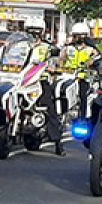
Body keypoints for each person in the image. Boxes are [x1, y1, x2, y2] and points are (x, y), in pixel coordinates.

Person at [22, 16, 64, 156]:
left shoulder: (47, 47)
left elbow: (56, 61)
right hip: (21, 80)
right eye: (30, 32)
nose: (33, 35)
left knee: (49, 108)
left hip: (40, 81)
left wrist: (52, 67)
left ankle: (57, 142)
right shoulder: (20, 45)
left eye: (36, 32)